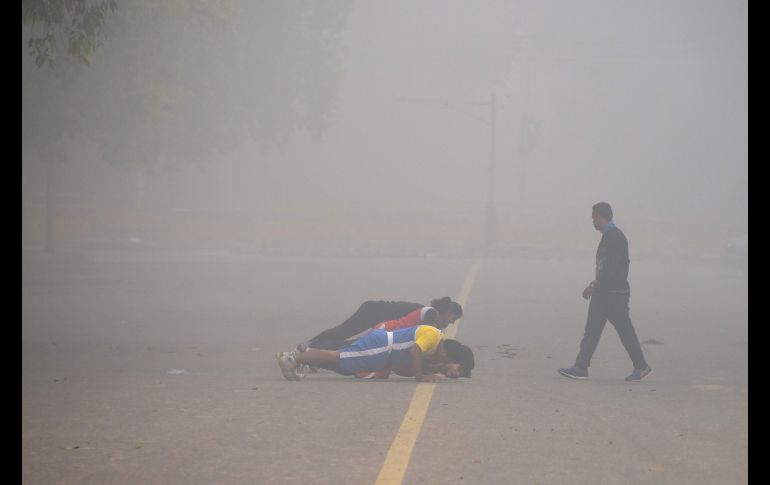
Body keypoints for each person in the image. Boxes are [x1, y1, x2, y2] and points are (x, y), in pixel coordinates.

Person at [558, 202, 653, 382]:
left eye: (593, 217)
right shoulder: (609, 236)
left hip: (614, 294)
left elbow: (613, 268)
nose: (592, 220)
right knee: (592, 330)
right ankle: (580, 367)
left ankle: (641, 366)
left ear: (600, 217)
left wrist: (595, 285)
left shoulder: (615, 237)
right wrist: (596, 285)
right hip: (605, 292)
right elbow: (606, 266)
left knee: (624, 331)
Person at [277, 325, 474, 382]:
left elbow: (401, 368)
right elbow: (414, 350)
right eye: (460, 368)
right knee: (340, 357)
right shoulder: (433, 337)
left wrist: (426, 370)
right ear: (449, 355)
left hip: (382, 352)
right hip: (381, 347)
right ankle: (292, 359)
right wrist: (420, 376)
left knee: (343, 360)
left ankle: (306, 354)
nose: (457, 374)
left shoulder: (433, 351)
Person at [299, 297, 463, 351]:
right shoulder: (429, 313)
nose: (452, 322)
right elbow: (425, 331)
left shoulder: (428, 313)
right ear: (447, 312)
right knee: (344, 334)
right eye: (453, 318)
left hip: (380, 320)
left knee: (349, 340)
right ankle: (312, 346)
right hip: (374, 312)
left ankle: (313, 348)